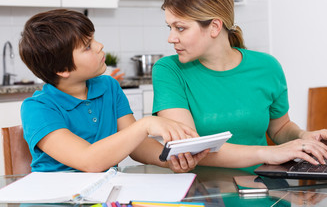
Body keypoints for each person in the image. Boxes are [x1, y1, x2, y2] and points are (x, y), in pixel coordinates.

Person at [152, 0, 327, 172]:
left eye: (180, 28)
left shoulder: (267, 66)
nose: (171, 38)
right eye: (170, 27)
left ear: (214, 26)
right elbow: (190, 147)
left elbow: (280, 128)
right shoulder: (168, 70)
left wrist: (304, 136)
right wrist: (268, 152)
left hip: (263, 186)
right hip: (202, 192)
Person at [19, 9, 207, 172]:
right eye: (87, 46)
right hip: (57, 198)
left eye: (93, 40)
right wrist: (145, 124)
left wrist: (171, 160)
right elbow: (88, 160)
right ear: (62, 69)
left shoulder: (108, 86)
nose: (99, 46)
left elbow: (137, 145)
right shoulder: (38, 108)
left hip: (104, 194)